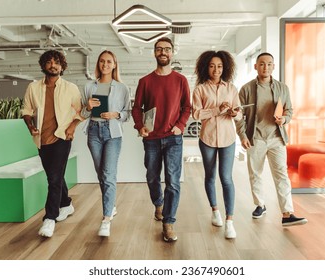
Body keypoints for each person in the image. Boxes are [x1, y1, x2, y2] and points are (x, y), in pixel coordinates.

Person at [235, 52, 308, 226]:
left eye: (269, 64)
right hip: (255, 138)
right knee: (256, 175)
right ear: (255, 66)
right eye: (261, 64)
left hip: (276, 138)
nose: (265, 67)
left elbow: (289, 110)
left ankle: (287, 213)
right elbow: (239, 115)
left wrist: (285, 119)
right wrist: (243, 136)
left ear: (273, 66)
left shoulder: (283, 88)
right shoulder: (246, 89)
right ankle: (260, 205)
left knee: (281, 175)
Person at [132, 37, 191, 242]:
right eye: (159, 49)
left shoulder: (181, 80)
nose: (163, 52)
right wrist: (140, 126)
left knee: (173, 181)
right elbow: (136, 108)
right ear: (154, 53)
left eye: (167, 49)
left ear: (172, 53)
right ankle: (158, 203)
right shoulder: (145, 81)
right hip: (151, 139)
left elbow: (187, 107)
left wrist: (180, 126)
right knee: (152, 177)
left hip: (174, 138)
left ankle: (169, 222)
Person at [22, 50, 83, 237]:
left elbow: (80, 112)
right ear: (43, 66)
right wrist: (30, 126)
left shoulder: (71, 88)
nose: (53, 65)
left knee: (54, 179)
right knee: (55, 176)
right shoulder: (33, 88)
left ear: (62, 66)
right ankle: (66, 204)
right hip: (42, 140)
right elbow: (26, 110)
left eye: (56, 62)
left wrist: (72, 128)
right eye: (49, 62)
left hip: (62, 137)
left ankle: (49, 218)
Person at [192, 50, 242, 239]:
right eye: (212, 66)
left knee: (226, 178)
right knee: (210, 176)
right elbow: (196, 114)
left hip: (228, 138)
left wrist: (234, 112)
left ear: (225, 68)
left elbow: (240, 114)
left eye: (220, 66)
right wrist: (216, 110)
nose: (216, 69)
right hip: (208, 138)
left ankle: (230, 221)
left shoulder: (231, 88)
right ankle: (215, 210)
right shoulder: (200, 90)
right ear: (206, 67)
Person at [80, 50, 130, 237]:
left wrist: (116, 114)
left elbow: (127, 113)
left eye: (109, 61)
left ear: (115, 64)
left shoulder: (122, 88)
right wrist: (87, 107)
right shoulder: (88, 86)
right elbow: (82, 114)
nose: (105, 65)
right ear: (98, 64)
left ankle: (106, 219)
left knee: (108, 174)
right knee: (101, 174)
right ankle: (111, 206)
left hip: (113, 133)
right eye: (102, 61)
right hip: (93, 131)